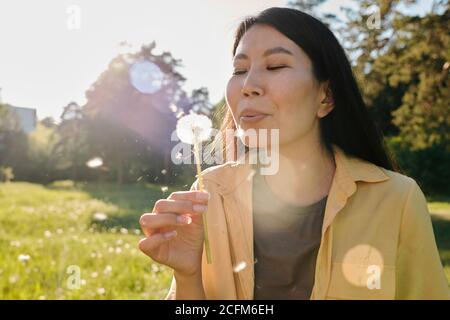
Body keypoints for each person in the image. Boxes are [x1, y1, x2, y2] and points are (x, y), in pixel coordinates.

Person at [138, 7, 449, 300]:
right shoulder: (209, 196)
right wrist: (188, 275)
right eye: (239, 69)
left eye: (275, 66)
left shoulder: (397, 198)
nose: (248, 85)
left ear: (325, 96)